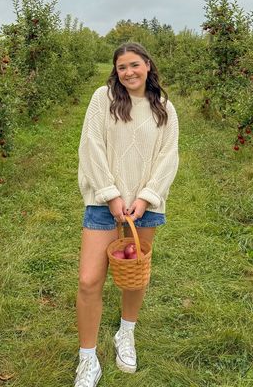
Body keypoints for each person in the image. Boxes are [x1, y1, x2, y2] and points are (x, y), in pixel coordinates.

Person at [74, 42, 179, 386]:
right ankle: (87, 358)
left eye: (135, 64)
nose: (129, 72)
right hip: (104, 205)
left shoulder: (164, 107)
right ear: (115, 71)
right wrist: (111, 195)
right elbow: (91, 146)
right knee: (90, 280)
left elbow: (168, 158)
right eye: (122, 67)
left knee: (135, 275)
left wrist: (146, 199)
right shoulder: (102, 99)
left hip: (143, 208)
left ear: (148, 65)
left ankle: (126, 333)